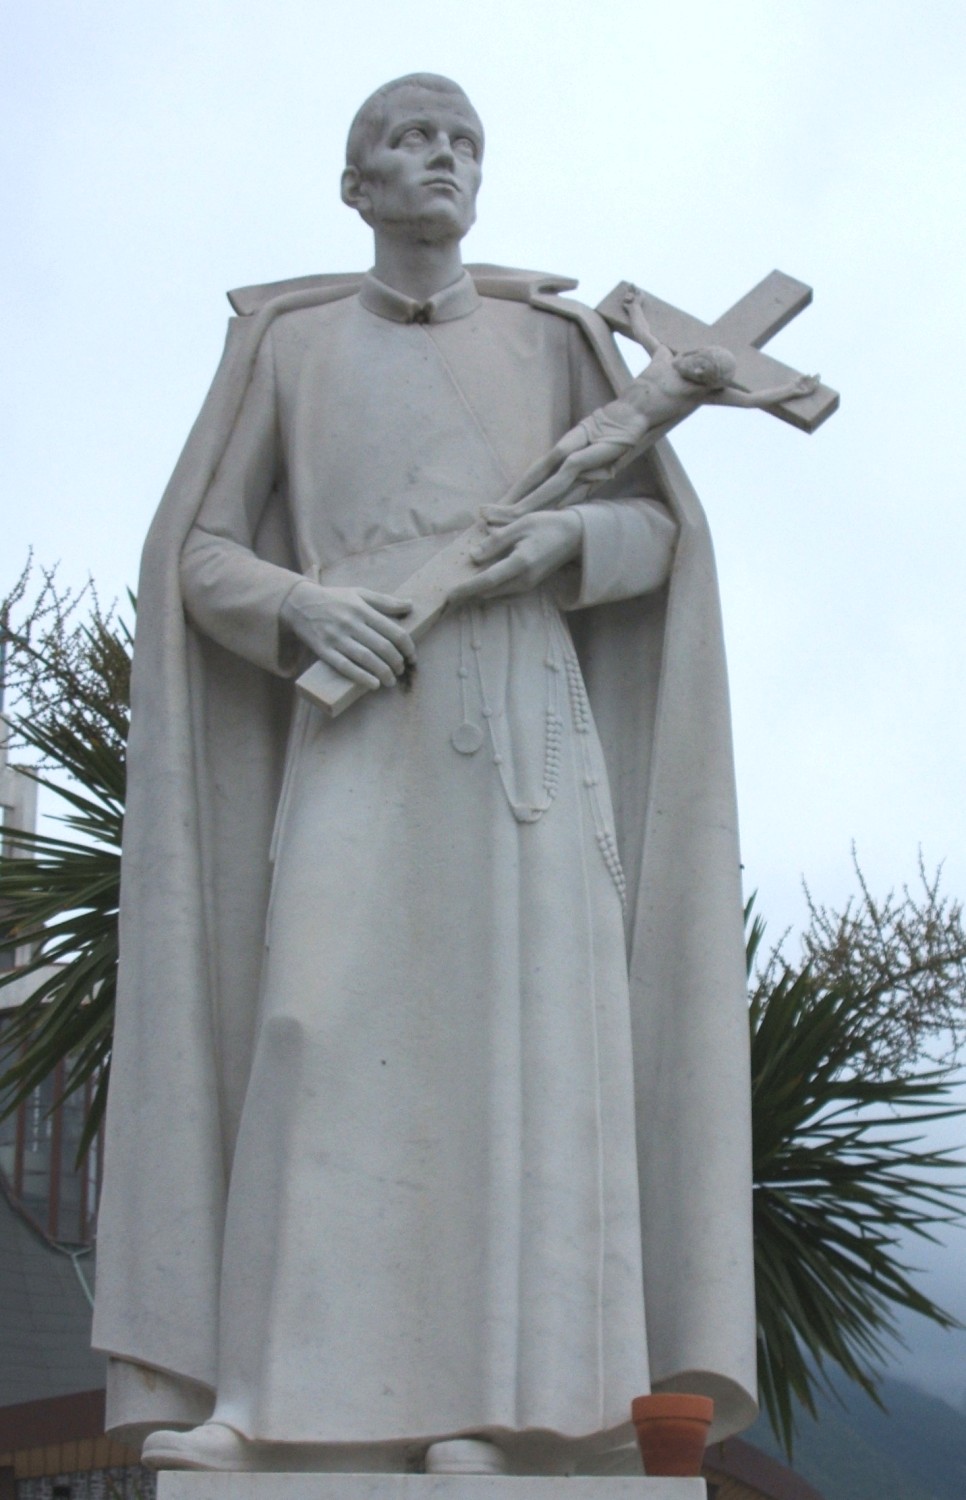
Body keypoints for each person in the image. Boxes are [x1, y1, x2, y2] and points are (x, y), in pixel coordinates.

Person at [92, 74, 757, 1475]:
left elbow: (655, 533)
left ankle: (487, 1408)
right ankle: (267, 1394)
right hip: (360, 701)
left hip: (518, 707)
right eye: (409, 138)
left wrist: (565, 551)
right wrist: (294, 608)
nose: (440, 158)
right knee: (309, 1025)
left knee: (511, 1053)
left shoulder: (557, 340)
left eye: (461, 141)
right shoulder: (292, 344)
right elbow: (202, 552)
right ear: (358, 184)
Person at [482, 288, 820, 522]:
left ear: (709, 382)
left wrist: (792, 389)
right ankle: (508, 503)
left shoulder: (696, 394)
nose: (698, 369)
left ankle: (520, 511)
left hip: (624, 434)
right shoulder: (662, 358)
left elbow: (749, 400)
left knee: (574, 466)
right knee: (556, 455)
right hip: (604, 418)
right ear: (696, 354)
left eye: (707, 373)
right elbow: (643, 332)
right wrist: (634, 306)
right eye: (702, 361)